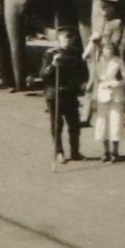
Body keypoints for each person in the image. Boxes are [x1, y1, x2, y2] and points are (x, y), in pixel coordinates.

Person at [39, 30, 87, 164]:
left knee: (74, 125)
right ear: (59, 39)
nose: (67, 42)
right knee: (57, 125)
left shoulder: (76, 54)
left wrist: (82, 82)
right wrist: (53, 64)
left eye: (69, 39)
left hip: (70, 93)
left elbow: (83, 72)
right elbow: (43, 75)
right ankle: (59, 152)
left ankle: (75, 151)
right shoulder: (51, 54)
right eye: (64, 39)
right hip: (54, 93)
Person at [90, 38, 125, 163]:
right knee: (103, 124)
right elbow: (95, 80)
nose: (109, 51)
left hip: (116, 95)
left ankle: (115, 152)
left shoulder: (118, 61)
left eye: (111, 48)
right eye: (106, 48)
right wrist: (94, 97)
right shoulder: (97, 62)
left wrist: (116, 83)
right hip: (102, 95)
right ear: (102, 49)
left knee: (115, 122)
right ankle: (105, 151)